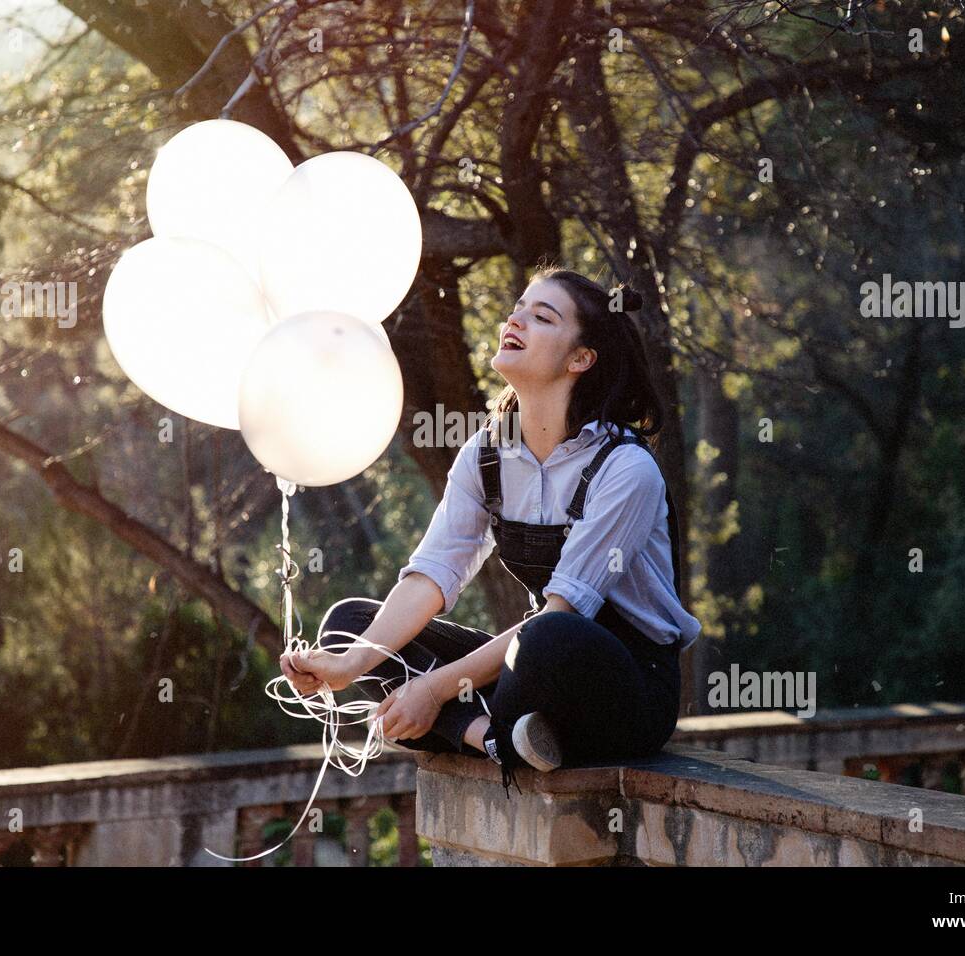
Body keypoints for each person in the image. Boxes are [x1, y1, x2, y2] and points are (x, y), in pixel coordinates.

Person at [280, 265, 702, 795]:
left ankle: (475, 729)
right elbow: (431, 576)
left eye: (541, 316)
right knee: (352, 622)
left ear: (580, 359)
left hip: (621, 685)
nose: (516, 318)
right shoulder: (486, 453)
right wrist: (353, 663)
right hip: (527, 666)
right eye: (519, 306)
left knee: (546, 637)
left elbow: (562, 610)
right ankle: (501, 737)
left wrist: (433, 692)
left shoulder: (626, 468)